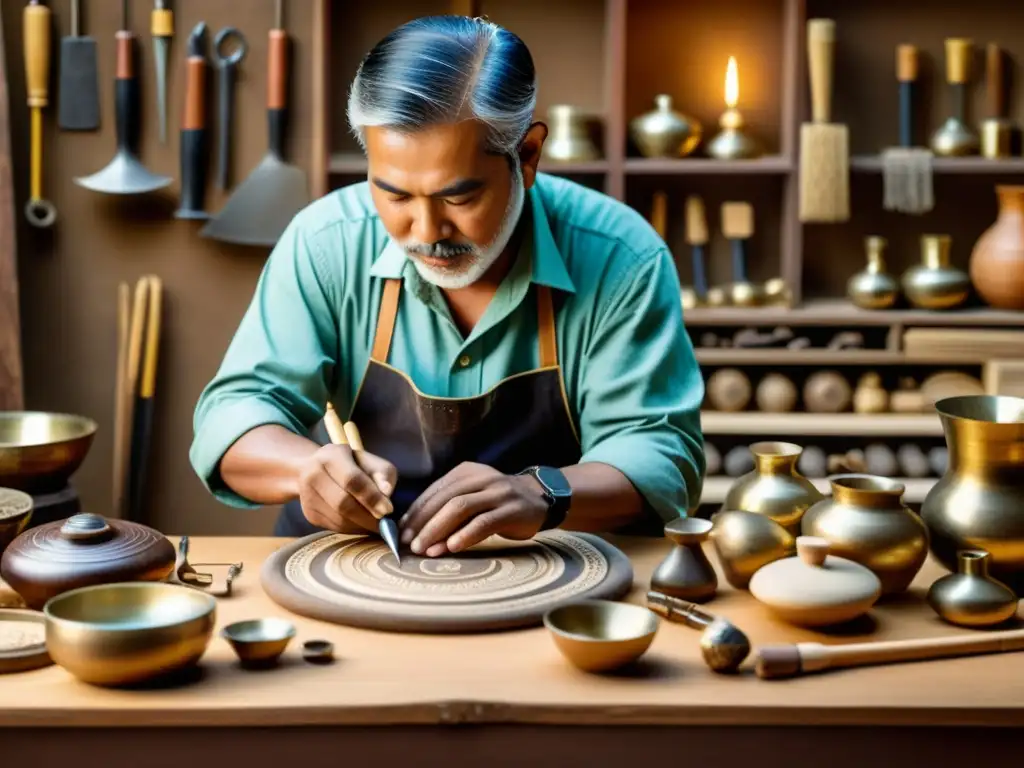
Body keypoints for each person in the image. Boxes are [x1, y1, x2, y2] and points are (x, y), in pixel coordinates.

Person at [189, 15, 705, 558]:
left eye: (458, 199)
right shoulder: (325, 242)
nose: (427, 232)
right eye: (395, 196)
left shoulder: (620, 255)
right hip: (346, 565)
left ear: (526, 157)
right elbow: (235, 414)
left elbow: (661, 454)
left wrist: (542, 491)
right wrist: (307, 470)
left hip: (542, 571)